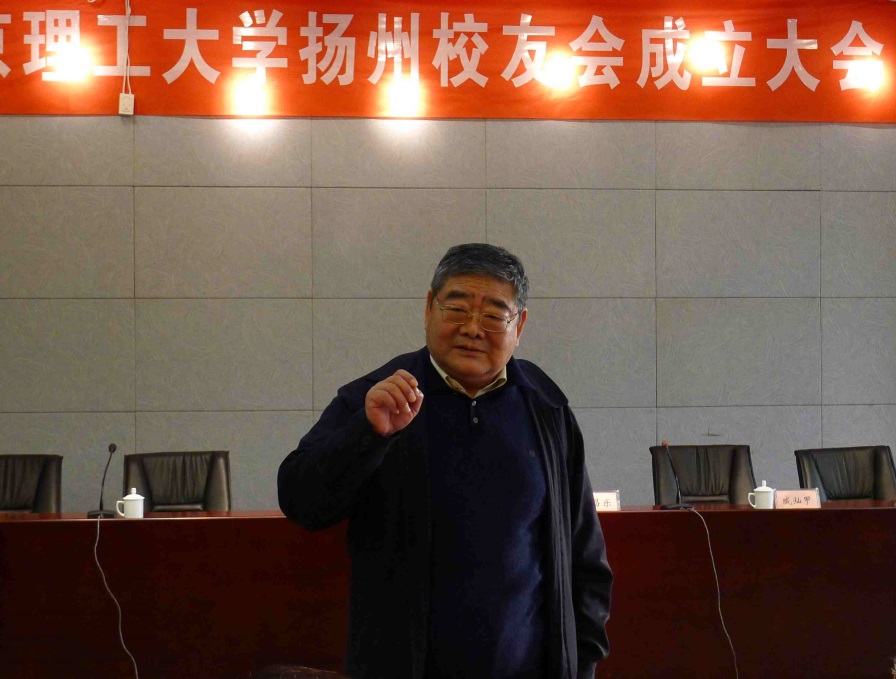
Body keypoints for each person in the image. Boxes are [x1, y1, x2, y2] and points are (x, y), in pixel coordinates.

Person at [278, 243, 613, 679]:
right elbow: (301, 501)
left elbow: (585, 556)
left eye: (493, 315)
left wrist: (581, 662)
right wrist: (368, 433)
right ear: (428, 309)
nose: (472, 329)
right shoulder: (378, 398)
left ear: (520, 325)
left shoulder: (546, 407)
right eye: (456, 309)